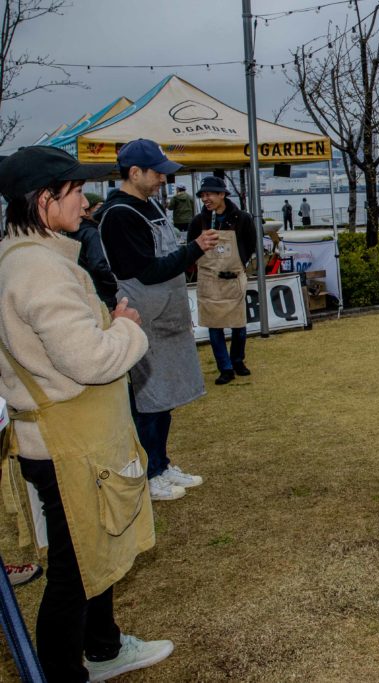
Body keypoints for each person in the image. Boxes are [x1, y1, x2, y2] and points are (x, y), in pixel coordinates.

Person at [0, 145, 174, 682]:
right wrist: (125, 327)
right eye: (75, 191)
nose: (85, 202)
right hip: (67, 443)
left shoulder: (23, 257)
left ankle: (103, 645)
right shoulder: (39, 269)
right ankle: (63, 670)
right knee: (74, 570)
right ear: (44, 200)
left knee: (90, 553)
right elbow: (90, 360)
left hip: (65, 437)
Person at [97, 139, 217, 501]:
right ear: (135, 173)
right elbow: (147, 271)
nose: (163, 180)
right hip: (144, 316)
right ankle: (148, 474)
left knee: (164, 399)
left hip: (165, 315)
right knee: (148, 401)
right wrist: (194, 249)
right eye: (157, 173)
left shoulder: (148, 205)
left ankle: (161, 464)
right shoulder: (119, 214)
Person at [187, 176, 257, 386]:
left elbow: (250, 243)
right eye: (202, 195)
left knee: (239, 324)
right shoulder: (198, 221)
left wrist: (238, 262)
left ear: (222, 194)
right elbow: (191, 247)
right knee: (214, 325)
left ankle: (237, 360)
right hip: (209, 279)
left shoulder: (242, 218)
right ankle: (224, 367)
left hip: (233, 277)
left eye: (209, 194)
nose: (205, 199)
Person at [66, 191, 118, 310]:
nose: (102, 211)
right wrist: (115, 283)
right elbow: (99, 265)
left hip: (87, 291)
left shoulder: (75, 231)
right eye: (98, 208)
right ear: (86, 212)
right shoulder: (92, 233)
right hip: (103, 294)